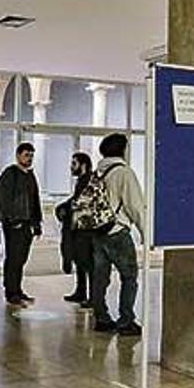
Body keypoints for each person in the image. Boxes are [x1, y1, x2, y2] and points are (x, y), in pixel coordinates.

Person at [89, 133, 145, 335]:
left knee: (100, 277)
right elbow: (135, 206)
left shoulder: (98, 172)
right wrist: (145, 233)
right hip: (117, 232)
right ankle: (126, 320)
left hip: (98, 232)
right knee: (129, 277)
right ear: (123, 149)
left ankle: (101, 318)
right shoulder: (124, 173)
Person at [0, 142, 43, 307]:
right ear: (18, 156)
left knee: (21, 259)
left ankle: (17, 290)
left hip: (26, 224)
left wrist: (37, 223)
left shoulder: (29, 175)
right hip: (14, 224)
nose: (29, 158)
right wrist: (12, 220)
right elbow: (4, 198)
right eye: (26, 155)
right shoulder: (10, 174)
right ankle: (11, 291)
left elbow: (35, 201)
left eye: (31, 155)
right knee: (14, 259)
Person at [56, 152, 94, 308]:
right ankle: (81, 291)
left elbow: (81, 203)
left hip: (85, 229)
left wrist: (66, 207)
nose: (71, 167)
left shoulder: (89, 181)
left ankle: (92, 297)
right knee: (80, 261)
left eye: (74, 164)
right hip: (80, 228)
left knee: (87, 263)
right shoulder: (82, 181)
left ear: (83, 165)